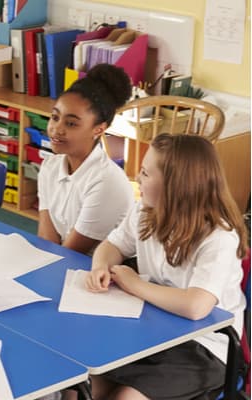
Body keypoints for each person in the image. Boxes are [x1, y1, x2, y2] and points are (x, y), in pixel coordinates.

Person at [87, 134, 247, 400]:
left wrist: (135, 284)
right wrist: (100, 267)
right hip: (156, 330)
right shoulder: (145, 211)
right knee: (86, 387)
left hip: (206, 347)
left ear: (176, 186)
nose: (138, 177)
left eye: (146, 173)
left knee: (126, 397)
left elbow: (196, 306)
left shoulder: (219, 237)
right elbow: (111, 246)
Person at [37, 64, 134, 254]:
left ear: (99, 129)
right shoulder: (50, 165)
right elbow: (47, 239)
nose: (57, 129)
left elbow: (72, 253)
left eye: (71, 123)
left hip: (100, 274)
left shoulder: (107, 181)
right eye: (55, 117)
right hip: (63, 262)